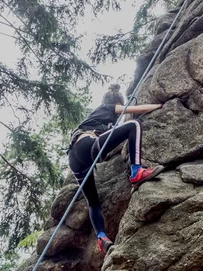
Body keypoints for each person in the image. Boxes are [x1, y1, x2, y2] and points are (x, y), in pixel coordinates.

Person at [67, 87, 164, 254]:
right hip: (87, 145)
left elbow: (114, 133)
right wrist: (160, 106)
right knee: (134, 124)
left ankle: (101, 237)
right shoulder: (108, 107)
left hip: (75, 159)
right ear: (118, 103)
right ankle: (137, 172)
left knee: (93, 202)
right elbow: (137, 112)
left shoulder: (97, 117)